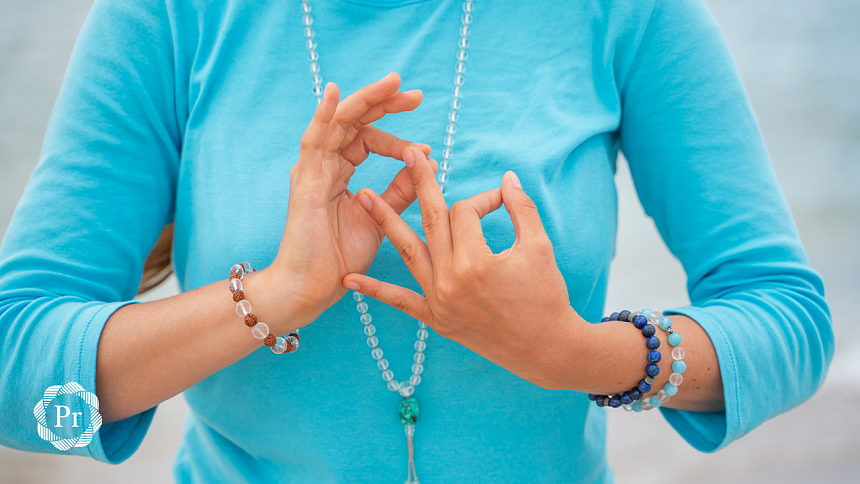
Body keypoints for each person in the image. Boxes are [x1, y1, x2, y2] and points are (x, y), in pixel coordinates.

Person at [0, 0, 834, 482]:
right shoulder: (170, 17)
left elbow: (790, 323)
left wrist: (579, 354)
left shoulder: (621, 14)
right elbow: (17, 377)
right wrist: (276, 293)